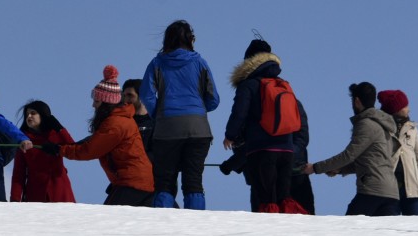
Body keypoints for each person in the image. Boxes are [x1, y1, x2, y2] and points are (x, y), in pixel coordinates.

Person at [43, 66, 155, 206]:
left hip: (134, 183)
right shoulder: (117, 119)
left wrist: (60, 150)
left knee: (107, 222)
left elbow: (89, 151)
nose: (93, 105)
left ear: (105, 102)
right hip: (136, 182)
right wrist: (61, 147)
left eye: (96, 101)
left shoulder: (116, 123)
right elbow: (91, 143)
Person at [140, 20, 221, 209]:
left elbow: (146, 94)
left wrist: (158, 114)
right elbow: (214, 99)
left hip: (167, 129)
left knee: (165, 182)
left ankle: (163, 228)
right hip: (198, 129)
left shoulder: (157, 63)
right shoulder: (200, 62)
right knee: (193, 181)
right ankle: (196, 227)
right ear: (190, 39)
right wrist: (198, 110)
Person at [222, 39, 306, 214]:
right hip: (287, 151)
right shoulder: (283, 84)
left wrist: (230, 135)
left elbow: (239, 113)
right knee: (284, 198)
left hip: (261, 151)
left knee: (266, 200)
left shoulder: (249, 85)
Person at [302, 82, 400, 216]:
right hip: (391, 193)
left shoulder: (366, 124)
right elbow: (371, 161)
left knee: (349, 231)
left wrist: (315, 168)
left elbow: (348, 155)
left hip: (372, 191)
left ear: (357, 101)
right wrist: (340, 169)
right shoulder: (383, 125)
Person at [378, 89, 418, 216]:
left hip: (413, 190)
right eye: (405, 106)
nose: (408, 109)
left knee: (414, 231)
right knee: (388, 230)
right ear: (396, 109)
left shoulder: (412, 129)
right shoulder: (380, 129)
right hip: (388, 190)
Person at [10, 99, 76, 203]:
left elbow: (74, 148)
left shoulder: (55, 134)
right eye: (27, 114)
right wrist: (15, 199)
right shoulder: (24, 140)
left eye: (33, 113)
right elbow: (19, 173)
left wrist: (59, 128)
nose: (29, 117)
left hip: (59, 190)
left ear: (43, 115)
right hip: (35, 194)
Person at [120, 78, 153, 152]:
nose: (126, 100)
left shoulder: (156, 121)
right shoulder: (123, 123)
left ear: (141, 96)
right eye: (124, 96)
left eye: (130, 95)